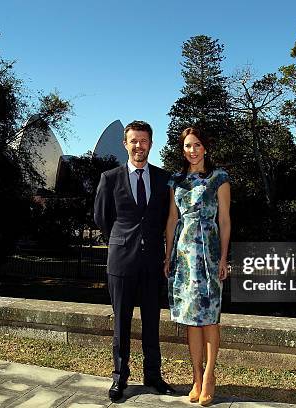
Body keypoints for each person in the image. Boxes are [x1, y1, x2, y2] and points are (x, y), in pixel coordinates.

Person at [94, 120, 176, 401]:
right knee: (122, 324)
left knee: (152, 322)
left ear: (151, 144)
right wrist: (120, 242)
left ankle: (153, 376)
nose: (138, 146)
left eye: (144, 141)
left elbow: (169, 218)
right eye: (133, 141)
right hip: (121, 262)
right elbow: (102, 218)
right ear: (125, 144)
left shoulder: (165, 179)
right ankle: (120, 378)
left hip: (153, 262)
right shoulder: (110, 178)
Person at [164, 127, 231, 406]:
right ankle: (196, 376)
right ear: (183, 150)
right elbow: (171, 220)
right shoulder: (176, 180)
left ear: (206, 148)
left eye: (197, 145)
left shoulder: (219, 178)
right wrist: (167, 255)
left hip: (209, 253)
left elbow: (225, 220)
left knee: (210, 317)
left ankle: (210, 376)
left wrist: (224, 257)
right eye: (188, 146)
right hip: (183, 255)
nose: (193, 150)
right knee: (192, 320)